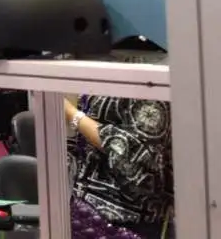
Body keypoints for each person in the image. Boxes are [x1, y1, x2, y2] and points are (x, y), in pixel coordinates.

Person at [67, 95, 174, 237]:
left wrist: (72, 114)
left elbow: (136, 160)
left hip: (130, 220)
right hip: (85, 212)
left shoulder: (149, 91)